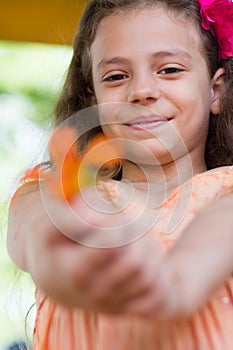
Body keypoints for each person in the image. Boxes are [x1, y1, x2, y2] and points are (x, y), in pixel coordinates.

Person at [7, 0, 233, 349]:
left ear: (215, 90)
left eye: (170, 69)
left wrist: (173, 284)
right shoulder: (51, 193)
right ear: (93, 99)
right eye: (116, 76)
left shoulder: (227, 194)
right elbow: (37, 236)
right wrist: (71, 259)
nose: (141, 91)